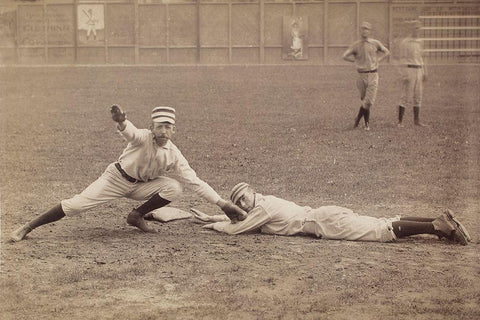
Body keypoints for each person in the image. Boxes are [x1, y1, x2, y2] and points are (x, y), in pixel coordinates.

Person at [10, 105, 246, 242]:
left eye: (168, 127)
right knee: (77, 206)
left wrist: (223, 204)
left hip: (141, 186)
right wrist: (122, 121)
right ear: (151, 127)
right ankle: (29, 227)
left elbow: (195, 182)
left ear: (174, 130)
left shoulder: (174, 154)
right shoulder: (142, 136)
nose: (163, 130)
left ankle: (136, 216)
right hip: (115, 179)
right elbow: (129, 131)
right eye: (159, 126)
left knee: (175, 187)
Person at [192, 182, 471, 245]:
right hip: (323, 216)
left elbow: (238, 228)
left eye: (244, 198)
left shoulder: (262, 207)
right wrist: (215, 216)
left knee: (379, 231)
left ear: (252, 192)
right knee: (380, 223)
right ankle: (437, 221)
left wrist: (216, 226)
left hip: (321, 222)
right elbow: (245, 220)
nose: (243, 203)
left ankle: (438, 226)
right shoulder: (263, 203)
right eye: (240, 201)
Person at [342, 22, 390, 131]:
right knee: (364, 100)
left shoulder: (375, 43)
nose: (365, 31)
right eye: (363, 29)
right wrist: (355, 61)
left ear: (370, 31)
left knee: (368, 101)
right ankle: (367, 124)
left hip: (373, 74)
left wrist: (379, 60)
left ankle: (357, 121)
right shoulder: (356, 45)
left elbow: (386, 52)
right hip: (361, 75)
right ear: (360, 31)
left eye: (367, 29)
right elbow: (344, 56)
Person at [397, 20, 427, 127]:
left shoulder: (421, 42)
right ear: (411, 29)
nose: (417, 30)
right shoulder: (405, 42)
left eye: (418, 28)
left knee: (418, 95)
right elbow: (401, 59)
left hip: (419, 69)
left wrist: (424, 71)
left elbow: (422, 57)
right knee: (405, 96)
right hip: (409, 69)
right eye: (415, 28)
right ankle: (400, 122)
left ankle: (417, 120)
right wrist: (404, 74)